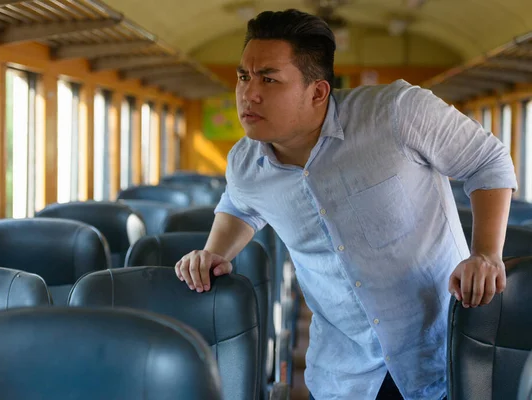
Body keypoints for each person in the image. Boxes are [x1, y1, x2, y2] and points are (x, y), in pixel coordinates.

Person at [174, 8, 517, 400]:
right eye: (243, 76)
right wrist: (212, 253)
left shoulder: (397, 113)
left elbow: (488, 161)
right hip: (345, 374)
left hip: (440, 355)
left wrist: (486, 254)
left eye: (269, 79)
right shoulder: (245, 162)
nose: (248, 93)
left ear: (318, 91)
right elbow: (239, 204)